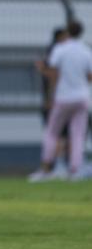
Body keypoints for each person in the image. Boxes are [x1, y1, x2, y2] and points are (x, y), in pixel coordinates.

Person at [30, 20, 92, 181]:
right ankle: (75, 170)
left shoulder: (60, 49)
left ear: (68, 32)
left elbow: (54, 74)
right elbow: (90, 76)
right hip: (82, 98)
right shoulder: (86, 51)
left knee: (52, 133)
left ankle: (45, 169)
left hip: (63, 97)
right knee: (78, 135)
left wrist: (43, 71)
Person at [35, 28, 70, 178]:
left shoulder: (56, 52)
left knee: (56, 134)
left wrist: (42, 70)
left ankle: (52, 167)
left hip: (59, 100)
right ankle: (57, 166)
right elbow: (54, 77)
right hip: (60, 100)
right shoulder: (59, 52)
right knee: (61, 135)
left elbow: (52, 75)